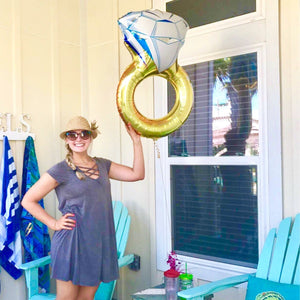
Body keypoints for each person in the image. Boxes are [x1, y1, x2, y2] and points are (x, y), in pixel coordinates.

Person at [21, 116, 145, 300]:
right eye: (72, 135)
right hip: (71, 243)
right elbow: (28, 200)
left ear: (91, 137)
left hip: (97, 243)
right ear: (66, 140)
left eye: (84, 134)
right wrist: (54, 223)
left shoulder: (103, 165)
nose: (78, 139)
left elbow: (137, 174)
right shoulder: (60, 170)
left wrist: (136, 141)